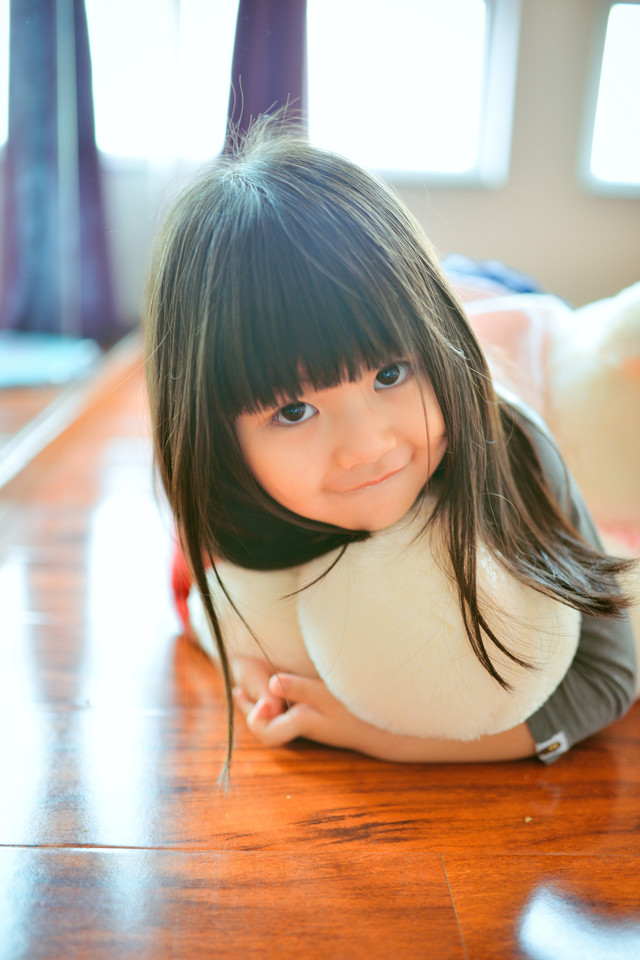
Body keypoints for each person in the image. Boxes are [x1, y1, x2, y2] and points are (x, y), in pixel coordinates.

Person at [145, 118, 636, 780]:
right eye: (294, 410)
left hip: (501, 313)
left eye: (389, 376)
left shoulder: (514, 448)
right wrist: (243, 657)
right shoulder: (218, 498)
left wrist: (377, 738)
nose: (367, 448)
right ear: (213, 439)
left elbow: (610, 676)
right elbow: (189, 591)